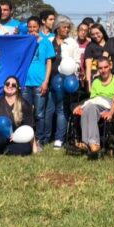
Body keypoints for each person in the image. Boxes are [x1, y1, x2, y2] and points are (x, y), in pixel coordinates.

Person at [73, 57, 114, 154]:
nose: (103, 70)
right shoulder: (96, 82)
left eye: (105, 67)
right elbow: (92, 99)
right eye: (100, 68)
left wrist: (111, 113)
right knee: (88, 107)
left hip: (108, 104)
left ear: (110, 66)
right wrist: (81, 106)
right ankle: (88, 143)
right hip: (95, 104)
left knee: (89, 107)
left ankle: (92, 142)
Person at [22, 16, 56, 148]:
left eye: (34, 27)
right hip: (25, 83)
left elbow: (49, 63)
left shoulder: (46, 42)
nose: (32, 30)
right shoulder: (23, 41)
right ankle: (26, 139)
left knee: (39, 114)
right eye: (29, 27)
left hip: (39, 83)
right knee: (25, 113)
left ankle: (40, 139)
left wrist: (46, 81)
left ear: (39, 27)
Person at [48, 18, 80, 149]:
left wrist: (73, 70)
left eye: (68, 27)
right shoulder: (49, 41)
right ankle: (45, 137)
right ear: (57, 28)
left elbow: (77, 62)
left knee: (61, 109)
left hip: (64, 81)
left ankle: (59, 139)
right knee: (49, 109)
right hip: (49, 80)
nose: (66, 30)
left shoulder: (72, 43)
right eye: (64, 27)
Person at [84, 23, 109, 92]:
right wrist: (89, 86)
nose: (95, 36)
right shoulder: (90, 47)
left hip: (110, 79)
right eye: (93, 34)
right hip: (96, 79)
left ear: (103, 32)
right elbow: (88, 68)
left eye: (97, 33)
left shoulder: (110, 43)